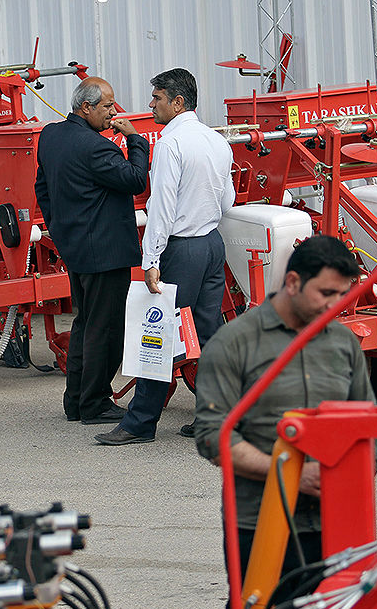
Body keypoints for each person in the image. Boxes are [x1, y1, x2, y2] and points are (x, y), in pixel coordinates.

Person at [193, 235, 374, 595]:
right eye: (326, 293)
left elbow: (365, 428)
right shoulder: (234, 343)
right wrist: (289, 473)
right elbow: (213, 436)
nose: (335, 305)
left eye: (342, 295)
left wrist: (350, 477)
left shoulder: (343, 344)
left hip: (335, 526)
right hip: (258, 524)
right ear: (292, 282)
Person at [94, 67, 234, 446]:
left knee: (158, 335)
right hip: (210, 243)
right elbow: (227, 200)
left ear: (177, 102)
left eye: (156, 98)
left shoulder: (171, 144)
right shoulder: (217, 141)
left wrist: (151, 258)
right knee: (209, 334)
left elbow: (162, 207)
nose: (149, 104)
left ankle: (139, 424)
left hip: (182, 248)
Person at [34, 77, 149, 425]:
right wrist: (134, 139)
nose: (113, 111)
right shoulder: (97, 147)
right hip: (105, 252)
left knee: (85, 324)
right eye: (107, 106)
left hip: (76, 248)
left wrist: (60, 228)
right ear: (87, 108)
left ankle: (77, 400)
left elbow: (43, 188)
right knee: (106, 329)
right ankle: (95, 402)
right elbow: (135, 180)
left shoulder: (51, 136)